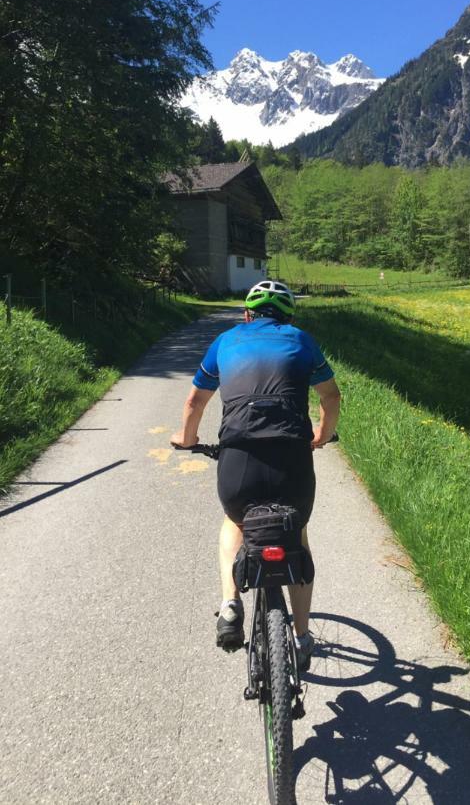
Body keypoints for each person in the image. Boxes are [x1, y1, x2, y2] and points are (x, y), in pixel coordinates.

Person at [170, 280, 340, 670]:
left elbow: (196, 399)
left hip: (238, 459)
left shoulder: (226, 341)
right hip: (292, 459)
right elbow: (331, 396)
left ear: (246, 315)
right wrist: (321, 435)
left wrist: (187, 438)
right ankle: (300, 638)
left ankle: (231, 604)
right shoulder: (301, 340)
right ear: (289, 316)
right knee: (296, 532)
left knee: (235, 521)